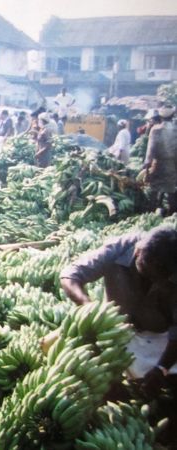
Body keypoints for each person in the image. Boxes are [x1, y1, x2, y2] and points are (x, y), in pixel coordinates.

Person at [59, 226, 177, 445]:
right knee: (110, 381)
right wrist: (89, 307)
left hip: (162, 338)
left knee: (167, 384)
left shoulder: (171, 271)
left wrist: (161, 368)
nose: (153, 281)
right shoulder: (120, 248)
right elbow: (70, 276)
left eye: (159, 278)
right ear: (139, 250)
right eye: (147, 270)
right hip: (119, 328)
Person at [143, 106, 176, 215]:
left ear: (160, 117)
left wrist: (147, 169)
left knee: (154, 189)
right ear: (173, 116)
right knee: (171, 190)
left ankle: (150, 212)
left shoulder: (156, 129)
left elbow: (150, 151)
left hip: (158, 165)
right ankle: (172, 214)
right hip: (173, 165)